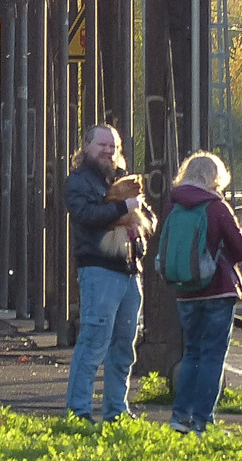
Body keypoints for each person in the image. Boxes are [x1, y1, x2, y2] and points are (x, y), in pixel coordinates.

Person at [63, 123, 146, 423]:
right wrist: (123, 207)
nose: (109, 151)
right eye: (103, 145)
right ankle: (78, 411)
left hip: (128, 271)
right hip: (98, 270)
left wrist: (137, 222)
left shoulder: (121, 179)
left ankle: (116, 411)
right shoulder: (78, 182)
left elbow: (142, 217)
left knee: (124, 346)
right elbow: (85, 216)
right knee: (94, 343)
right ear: (86, 147)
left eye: (113, 146)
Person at [164, 150, 242, 434]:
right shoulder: (216, 206)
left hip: (186, 291)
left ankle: (180, 417)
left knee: (192, 352)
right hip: (217, 291)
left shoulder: (173, 205)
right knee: (213, 356)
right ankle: (203, 421)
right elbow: (241, 249)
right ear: (216, 177)